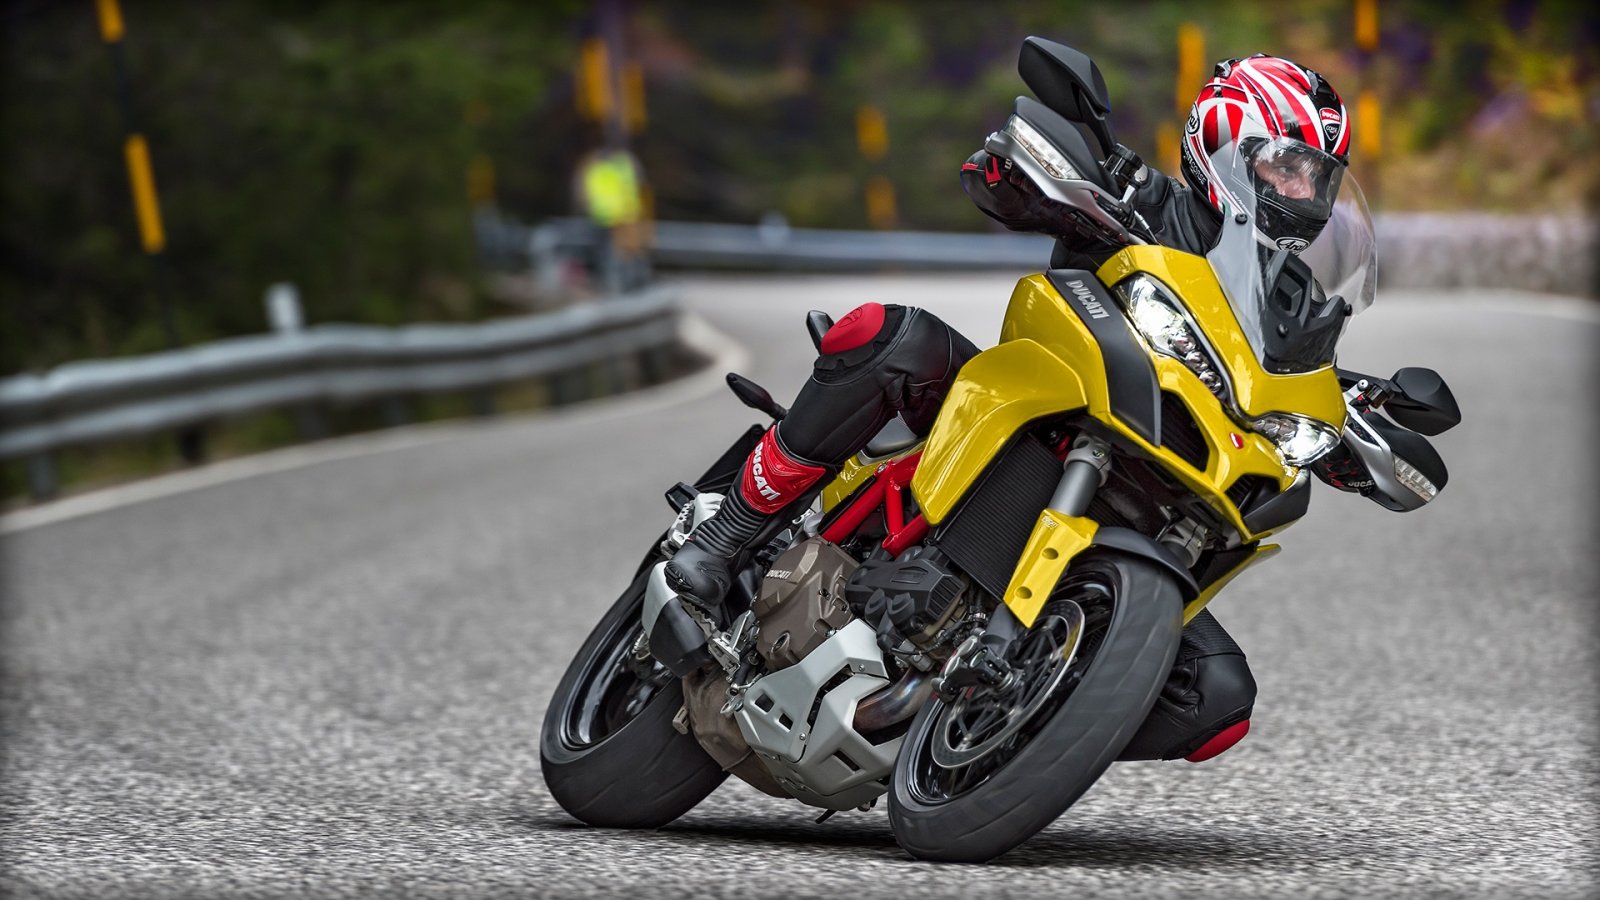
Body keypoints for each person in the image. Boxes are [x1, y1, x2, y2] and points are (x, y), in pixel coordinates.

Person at [666, 53, 1357, 763]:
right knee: (892, 339)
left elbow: (1309, 379)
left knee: (1215, 695)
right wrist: (1030, 174)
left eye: (1319, 177)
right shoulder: (1141, 196)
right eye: (1288, 166)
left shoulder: (1297, 304)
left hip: (1161, 471)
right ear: (1221, 141)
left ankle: (1000, 742)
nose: (1303, 190)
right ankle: (724, 537)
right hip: (1043, 404)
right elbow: (993, 178)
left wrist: (1371, 415)